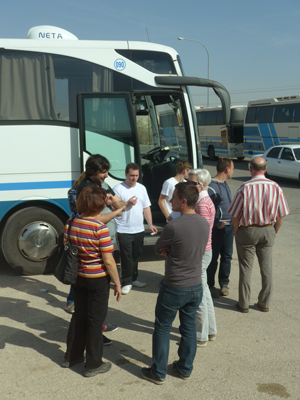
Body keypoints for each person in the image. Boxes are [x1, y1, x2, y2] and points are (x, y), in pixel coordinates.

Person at [141, 182, 209, 385]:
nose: (170, 201)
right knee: (188, 327)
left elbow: (158, 248)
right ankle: (184, 367)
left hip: (174, 286)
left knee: (162, 327)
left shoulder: (173, 226)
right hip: (196, 286)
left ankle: (158, 372)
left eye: (174, 198)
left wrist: (169, 250)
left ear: (184, 201)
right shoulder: (204, 223)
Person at [62, 185, 122, 377]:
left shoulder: (70, 223)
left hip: (78, 278)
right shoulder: (100, 229)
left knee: (79, 316)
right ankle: (94, 364)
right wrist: (117, 283)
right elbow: (109, 261)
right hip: (97, 280)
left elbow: (67, 246)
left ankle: (72, 356)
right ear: (98, 205)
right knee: (95, 321)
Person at [228, 157, 289, 313]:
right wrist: (274, 230)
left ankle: (244, 304)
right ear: (266, 169)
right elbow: (282, 214)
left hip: (247, 230)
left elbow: (235, 215)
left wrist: (236, 231)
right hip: (268, 229)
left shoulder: (244, 188)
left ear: (250, 169)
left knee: (246, 268)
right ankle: (264, 303)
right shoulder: (276, 187)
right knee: (266, 268)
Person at [113, 163, 158, 295]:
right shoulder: (118, 189)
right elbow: (115, 209)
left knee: (136, 255)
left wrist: (150, 224)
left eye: (136, 175)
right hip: (123, 229)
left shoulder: (142, 188)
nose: (134, 178)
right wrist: (128, 203)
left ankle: (134, 279)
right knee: (126, 257)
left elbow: (146, 207)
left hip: (138, 229)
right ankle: (126, 282)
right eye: (131, 175)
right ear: (126, 174)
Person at [188, 169, 217, 347]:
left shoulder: (201, 203)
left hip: (200, 252)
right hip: (204, 250)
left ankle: (201, 335)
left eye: (192, 183)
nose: (189, 186)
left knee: (198, 293)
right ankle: (210, 330)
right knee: (204, 291)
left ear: (203, 185)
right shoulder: (203, 200)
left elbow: (202, 232)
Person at [207, 158, 234, 298]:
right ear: (227, 169)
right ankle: (210, 285)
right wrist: (217, 223)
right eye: (233, 168)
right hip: (217, 229)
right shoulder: (212, 186)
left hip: (229, 228)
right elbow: (207, 209)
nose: (233, 171)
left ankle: (224, 284)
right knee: (213, 258)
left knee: (227, 257)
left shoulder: (225, 184)